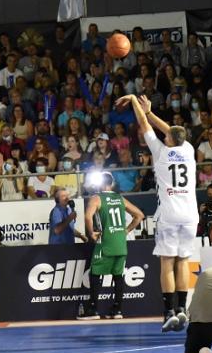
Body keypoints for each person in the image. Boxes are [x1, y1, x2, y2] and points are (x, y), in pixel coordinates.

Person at [117, 93, 198, 332]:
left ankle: (169, 311)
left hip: (170, 213)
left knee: (167, 262)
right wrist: (151, 112)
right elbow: (173, 131)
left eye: (166, 136)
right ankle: (183, 308)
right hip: (190, 214)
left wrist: (135, 101)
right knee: (183, 261)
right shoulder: (189, 150)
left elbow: (144, 125)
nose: (164, 135)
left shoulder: (161, 152)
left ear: (169, 140)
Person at [79, 173, 143, 320]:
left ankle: (93, 310)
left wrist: (91, 233)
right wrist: (126, 230)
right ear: (112, 184)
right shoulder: (120, 198)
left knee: (95, 274)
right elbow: (139, 215)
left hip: (105, 241)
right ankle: (118, 309)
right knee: (118, 276)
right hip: (120, 243)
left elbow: (88, 216)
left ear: (100, 184)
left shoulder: (96, 198)